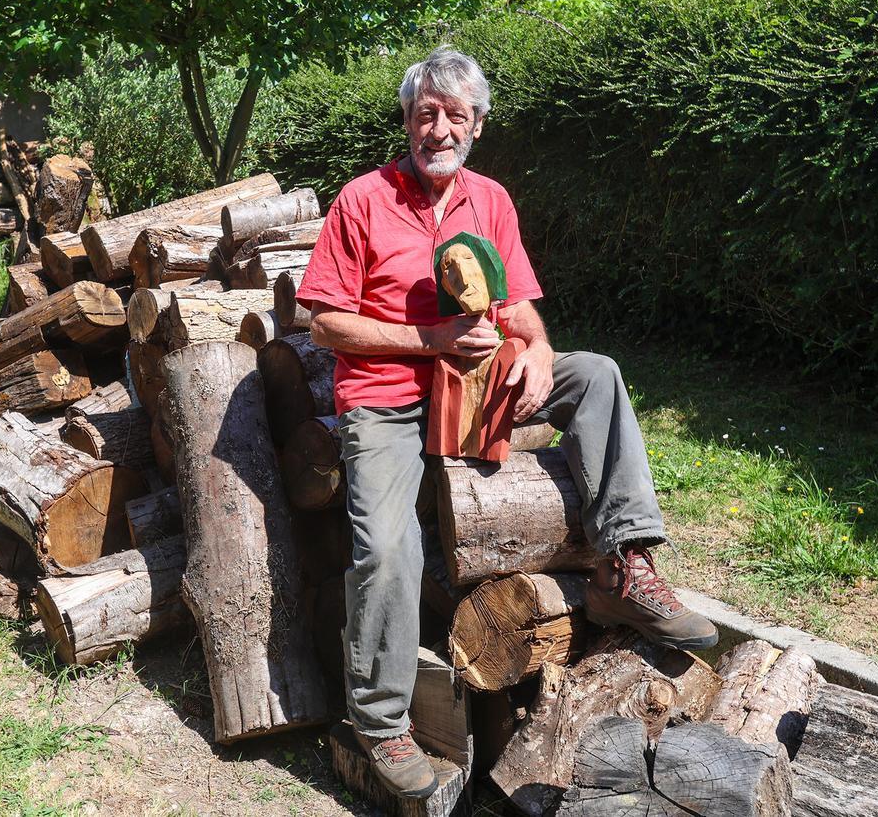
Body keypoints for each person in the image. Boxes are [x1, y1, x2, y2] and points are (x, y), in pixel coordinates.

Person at [296, 46, 718, 800]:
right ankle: (381, 718)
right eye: (426, 112)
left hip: (477, 385)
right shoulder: (362, 199)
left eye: (456, 115)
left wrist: (538, 349)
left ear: (478, 126)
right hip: (387, 396)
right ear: (406, 119)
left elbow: (518, 306)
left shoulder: (490, 199)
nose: (439, 128)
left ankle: (625, 566)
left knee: (595, 374)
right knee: (389, 547)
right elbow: (324, 322)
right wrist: (430, 341)